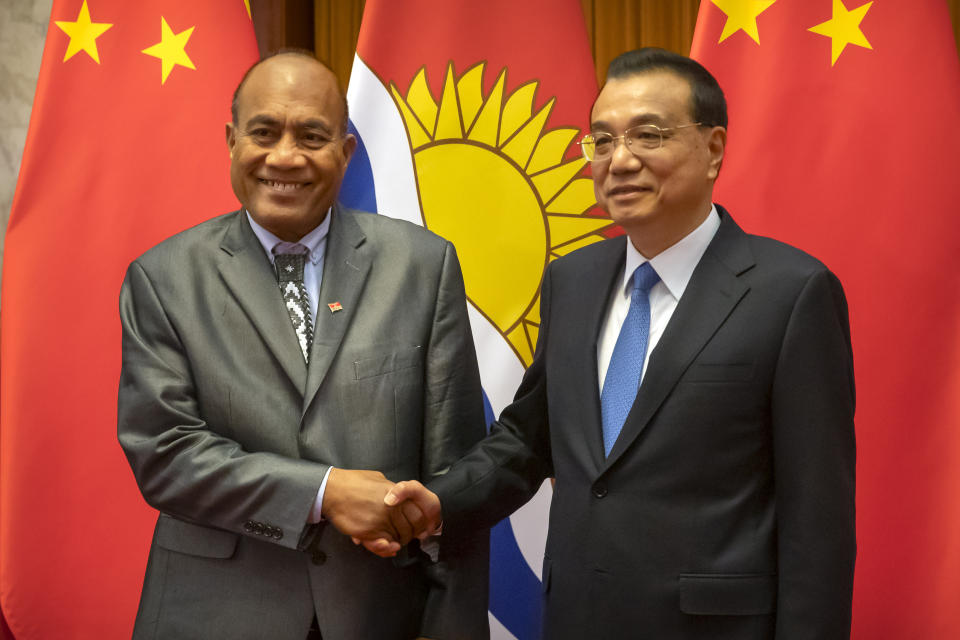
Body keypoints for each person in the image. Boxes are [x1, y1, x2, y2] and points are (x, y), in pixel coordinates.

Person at [378, 48, 856, 638]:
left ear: (713, 149)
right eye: (601, 141)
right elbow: (531, 438)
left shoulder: (792, 293)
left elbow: (818, 520)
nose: (619, 160)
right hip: (578, 616)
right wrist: (440, 501)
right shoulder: (572, 280)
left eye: (648, 135)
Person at [117, 50, 489, 640]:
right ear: (232, 141)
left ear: (344, 153)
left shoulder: (422, 266)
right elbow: (165, 454)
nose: (284, 157)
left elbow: (457, 477)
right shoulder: (163, 277)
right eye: (263, 132)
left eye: (312, 136)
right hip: (215, 615)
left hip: (381, 611)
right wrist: (324, 491)